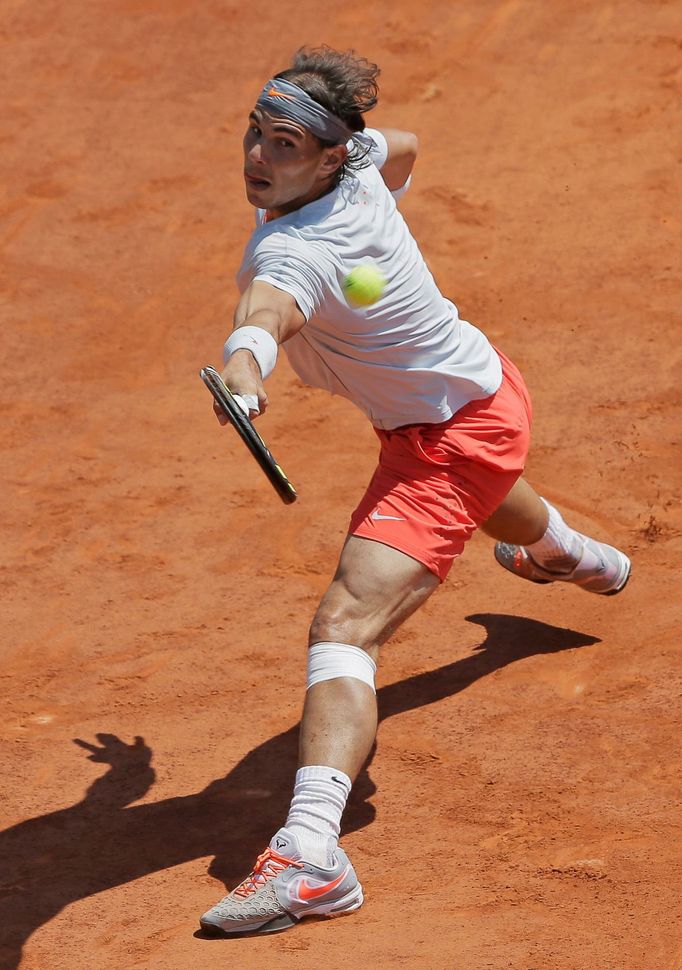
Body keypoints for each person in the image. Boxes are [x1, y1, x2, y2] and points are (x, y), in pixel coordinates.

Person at [199, 46, 631, 936]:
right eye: (255, 132)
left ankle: (313, 858)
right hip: (471, 393)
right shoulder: (357, 163)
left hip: (451, 436)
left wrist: (245, 374)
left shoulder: (298, 251)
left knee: (345, 628)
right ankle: (570, 555)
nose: (256, 156)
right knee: (477, 494)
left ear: (325, 157)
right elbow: (405, 146)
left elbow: (264, 315)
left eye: (283, 143)